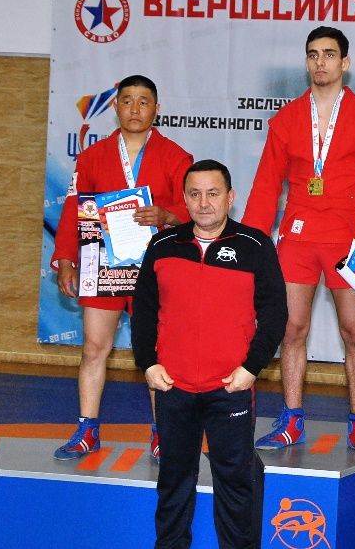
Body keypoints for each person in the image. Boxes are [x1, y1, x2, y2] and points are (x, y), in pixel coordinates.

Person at [244, 26, 355, 457]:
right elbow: (267, 183)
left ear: (345, 63)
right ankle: (291, 419)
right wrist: (252, 239)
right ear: (306, 62)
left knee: (354, 331)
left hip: (346, 239)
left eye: (330, 54)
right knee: (291, 329)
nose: (321, 62)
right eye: (314, 54)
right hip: (298, 236)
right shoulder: (286, 118)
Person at [131, 160, 288, 549]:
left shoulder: (255, 246)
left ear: (230, 198)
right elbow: (144, 311)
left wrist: (251, 368)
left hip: (230, 387)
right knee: (173, 481)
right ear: (185, 199)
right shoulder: (162, 246)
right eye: (195, 194)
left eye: (213, 193)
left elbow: (275, 314)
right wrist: (148, 363)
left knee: (235, 483)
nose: (204, 203)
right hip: (173, 387)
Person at [51, 74, 194, 461]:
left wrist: (166, 215)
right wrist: (66, 259)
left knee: (157, 354)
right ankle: (87, 430)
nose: (134, 108)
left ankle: (162, 433)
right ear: (115, 106)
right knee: (93, 348)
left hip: (155, 269)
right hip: (104, 266)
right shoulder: (91, 158)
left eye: (143, 101)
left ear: (156, 109)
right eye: (127, 100)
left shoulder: (176, 157)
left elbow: (194, 210)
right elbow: (74, 209)